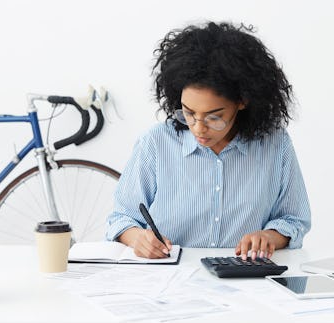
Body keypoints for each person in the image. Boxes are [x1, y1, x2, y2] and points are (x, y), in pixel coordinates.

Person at [106, 21, 311, 260]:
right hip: (169, 282)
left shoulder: (275, 145)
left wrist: (269, 237)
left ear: (242, 101)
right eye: (189, 113)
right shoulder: (155, 144)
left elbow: (293, 220)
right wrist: (137, 238)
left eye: (214, 117)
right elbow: (121, 219)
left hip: (246, 281)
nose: (198, 128)